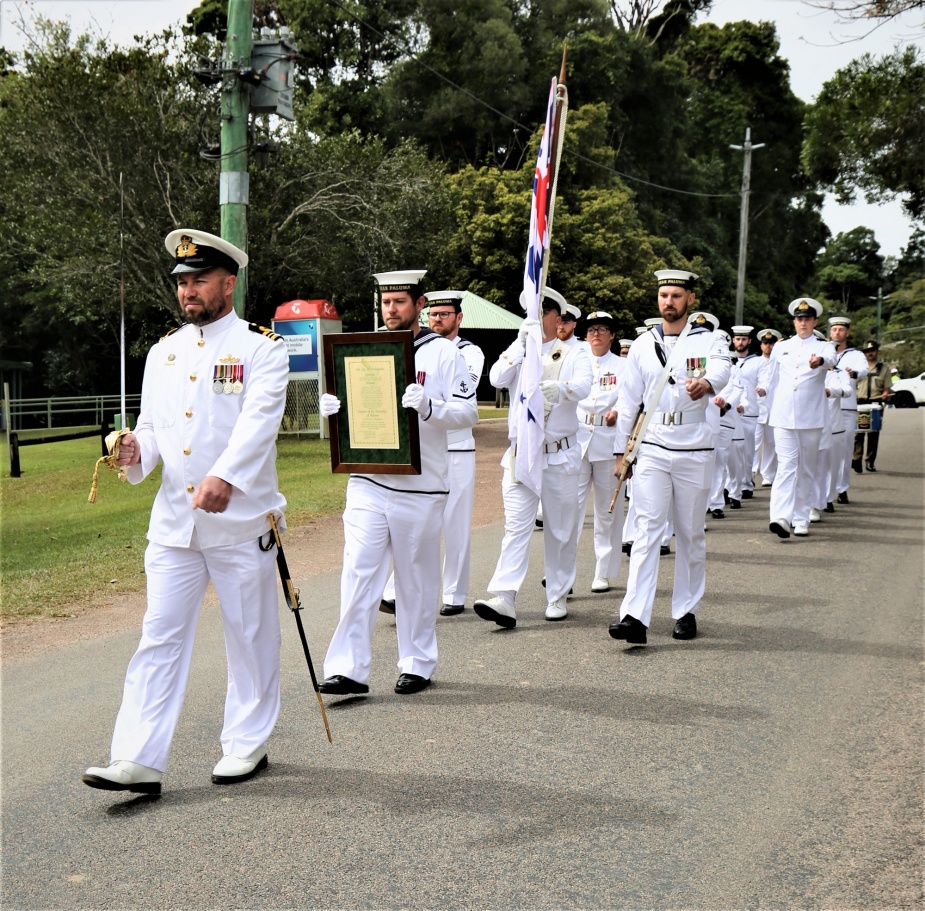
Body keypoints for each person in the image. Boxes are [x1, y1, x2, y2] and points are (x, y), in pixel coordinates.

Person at [83, 229, 288, 795]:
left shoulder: (261, 349)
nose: (188, 291)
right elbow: (152, 429)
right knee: (159, 636)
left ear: (229, 282)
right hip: (174, 523)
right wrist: (135, 451)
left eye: (198, 280)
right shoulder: (163, 352)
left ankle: (246, 742)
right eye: (181, 282)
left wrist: (227, 477)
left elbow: (259, 423)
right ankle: (137, 758)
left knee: (248, 633)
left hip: (239, 520)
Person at [318, 271, 478, 696]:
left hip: (420, 484)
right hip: (368, 478)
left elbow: (467, 414)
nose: (391, 310)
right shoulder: (365, 349)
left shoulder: (444, 354)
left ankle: (417, 661)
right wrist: (335, 408)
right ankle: (349, 668)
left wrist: (430, 409)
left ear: (419, 304)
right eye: (386, 302)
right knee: (357, 573)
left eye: (400, 303)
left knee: (415, 579)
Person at [609, 270, 730, 646]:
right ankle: (634, 616)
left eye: (676, 295)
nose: (669, 302)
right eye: (663, 295)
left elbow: (724, 368)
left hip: (695, 446)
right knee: (646, 530)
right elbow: (629, 401)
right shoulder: (644, 344)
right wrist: (621, 453)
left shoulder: (710, 339)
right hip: (654, 445)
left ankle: (685, 610)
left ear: (690, 299)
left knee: (691, 532)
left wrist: (708, 383)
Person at [473, 287, 593, 626]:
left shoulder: (575, 351)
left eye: (541, 314)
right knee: (516, 526)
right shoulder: (521, 351)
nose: (535, 321)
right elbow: (496, 378)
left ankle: (556, 593)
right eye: (530, 315)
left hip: (558, 454)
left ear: (557, 319)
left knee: (560, 529)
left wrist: (563, 389)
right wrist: (518, 346)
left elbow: (585, 385)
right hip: (522, 454)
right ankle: (505, 597)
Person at [380, 290, 485, 616]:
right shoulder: (410, 346)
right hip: (422, 446)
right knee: (416, 520)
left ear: (458, 318)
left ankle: (454, 592)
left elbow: (463, 397)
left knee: (454, 521)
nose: (437, 319)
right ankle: (397, 590)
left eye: (445, 314)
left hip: (456, 445)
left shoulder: (468, 353)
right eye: (434, 314)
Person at [760, 298, 836, 538]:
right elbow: (770, 376)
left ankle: (801, 517)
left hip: (810, 416)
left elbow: (832, 360)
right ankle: (780, 517)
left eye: (807, 319)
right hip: (783, 416)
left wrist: (820, 362)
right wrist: (762, 391)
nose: (803, 323)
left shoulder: (824, 346)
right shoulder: (782, 346)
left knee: (805, 468)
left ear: (814, 321)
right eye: (799, 319)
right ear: (794, 321)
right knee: (786, 466)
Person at [574, 312, 626, 592]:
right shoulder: (575, 361)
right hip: (578, 439)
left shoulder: (623, 366)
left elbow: (630, 399)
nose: (596, 334)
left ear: (612, 335)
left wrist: (617, 411)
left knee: (607, 511)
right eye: (591, 329)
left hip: (608, 442)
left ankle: (603, 571)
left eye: (602, 329)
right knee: (571, 509)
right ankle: (563, 571)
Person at [827, 316, 868, 504]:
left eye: (841, 330)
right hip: (824, 408)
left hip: (846, 407)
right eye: (834, 329)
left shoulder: (856, 355)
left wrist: (854, 373)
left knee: (843, 450)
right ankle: (824, 492)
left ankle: (842, 489)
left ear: (847, 333)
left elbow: (863, 370)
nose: (837, 333)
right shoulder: (823, 351)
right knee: (824, 450)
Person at [731, 326, 761, 499]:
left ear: (749, 341)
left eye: (743, 339)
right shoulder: (727, 359)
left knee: (747, 451)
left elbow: (764, 381)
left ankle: (747, 483)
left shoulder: (757, 362)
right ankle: (730, 485)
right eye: (737, 339)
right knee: (729, 452)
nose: (740, 342)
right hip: (729, 414)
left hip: (749, 413)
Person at [853, 339, 892, 472]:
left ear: (876, 351)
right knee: (858, 434)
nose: (870, 353)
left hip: (875, 404)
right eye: (867, 351)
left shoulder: (884, 369)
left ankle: (870, 461)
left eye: (872, 350)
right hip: (859, 403)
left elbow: (887, 387)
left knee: (873, 435)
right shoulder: (858, 367)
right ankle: (856, 459)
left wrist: (885, 394)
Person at [753, 328, 782, 487]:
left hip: (774, 406)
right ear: (761, 345)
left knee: (771, 442)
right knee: (754, 442)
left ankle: (768, 474)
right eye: (765, 343)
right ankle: (751, 472)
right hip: (756, 407)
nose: (768, 346)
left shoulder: (779, 363)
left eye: (771, 343)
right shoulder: (755, 362)